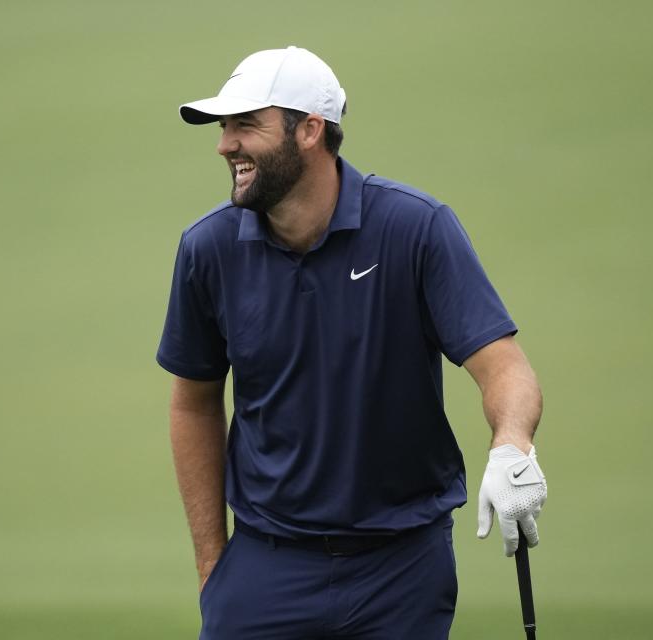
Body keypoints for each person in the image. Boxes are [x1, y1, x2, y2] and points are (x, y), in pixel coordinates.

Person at [156, 46, 547, 639]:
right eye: (223, 127)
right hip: (265, 568)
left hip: (401, 568)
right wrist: (214, 569)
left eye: (245, 125)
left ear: (310, 130)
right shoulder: (208, 249)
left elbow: (504, 366)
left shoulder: (415, 228)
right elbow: (194, 402)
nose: (224, 144)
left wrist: (513, 445)